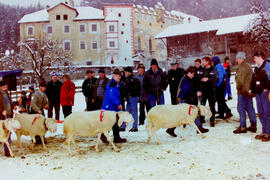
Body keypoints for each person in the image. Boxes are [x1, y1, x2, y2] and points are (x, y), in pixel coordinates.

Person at [177, 67, 209, 133]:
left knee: (192, 113)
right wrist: (196, 93)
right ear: (189, 73)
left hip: (186, 99)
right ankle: (199, 128)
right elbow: (186, 91)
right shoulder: (186, 80)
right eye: (193, 74)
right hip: (185, 99)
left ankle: (199, 128)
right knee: (191, 113)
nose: (193, 75)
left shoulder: (187, 79)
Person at [233, 52, 257, 134]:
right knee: (250, 108)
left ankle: (242, 126)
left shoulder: (242, 67)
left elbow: (240, 80)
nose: (237, 60)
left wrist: (238, 86)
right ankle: (253, 125)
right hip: (248, 90)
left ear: (241, 59)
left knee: (241, 108)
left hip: (242, 91)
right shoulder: (248, 66)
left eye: (238, 58)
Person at [101, 69, 127, 143]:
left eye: (120, 76)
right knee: (110, 122)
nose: (119, 78)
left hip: (112, 107)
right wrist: (118, 104)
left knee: (115, 122)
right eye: (118, 76)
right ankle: (104, 136)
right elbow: (111, 96)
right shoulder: (112, 84)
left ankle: (116, 137)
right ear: (114, 76)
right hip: (110, 107)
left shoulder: (114, 83)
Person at [250, 51, 270, 141]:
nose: (254, 60)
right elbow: (253, 79)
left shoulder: (267, 66)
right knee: (261, 112)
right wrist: (252, 89)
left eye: (255, 58)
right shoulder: (256, 68)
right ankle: (264, 130)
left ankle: (268, 132)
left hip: (265, 93)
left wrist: (267, 88)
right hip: (258, 93)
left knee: (267, 112)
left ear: (259, 57)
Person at [166, 59, 185, 137]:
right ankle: (175, 125)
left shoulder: (181, 71)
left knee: (182, 108)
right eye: (172, 66)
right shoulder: (170, 72)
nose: (173, 67)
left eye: (174, 65)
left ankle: (182, 122)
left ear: (177, 65)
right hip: (173, 93)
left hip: (181, 92)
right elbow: (168, 81)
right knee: (175, 108)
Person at [120, 66, 141, 132]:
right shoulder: (128, 79)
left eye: (126, 72)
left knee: (134, 112)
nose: (125, 73)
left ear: (129, 72)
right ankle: (123, 126)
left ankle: (135, 127)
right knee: (127, 112)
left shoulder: (133, 79)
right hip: (130, 97)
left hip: (133, 97)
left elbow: (136, 89)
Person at [212, 56, 233, 120]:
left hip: (221, 85)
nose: (212, 62)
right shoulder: (218, 66)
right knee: (219, 99)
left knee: (220, 100)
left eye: (213, 61)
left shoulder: (218, 66)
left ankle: (228, 112)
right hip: (220, 85)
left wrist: (217, 85)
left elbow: (220, 77)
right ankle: (221, 114)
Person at [200, 57, 217, 127]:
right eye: (202, 61)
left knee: (212, 106)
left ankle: (212, 120)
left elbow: (216, 79)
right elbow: (198, 78)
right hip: (203, 91)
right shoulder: (202, 69)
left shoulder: (213, 69)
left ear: (208, 62)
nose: (203, 63)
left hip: (211, 90)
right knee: (202, 105)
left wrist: (208, 79)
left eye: (204, 61)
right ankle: (201, 119)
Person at [0, 81, 14, 157]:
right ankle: (7, 150)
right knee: (4, 133)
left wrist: (12, 106)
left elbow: (9, 103)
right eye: (4, 87)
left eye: (6, 87)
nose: (5, 88)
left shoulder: (7, 93)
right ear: (0, 87)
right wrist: (2, 111)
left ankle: (8, 150)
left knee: (8, 133)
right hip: (2, 117)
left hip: (8, 115)